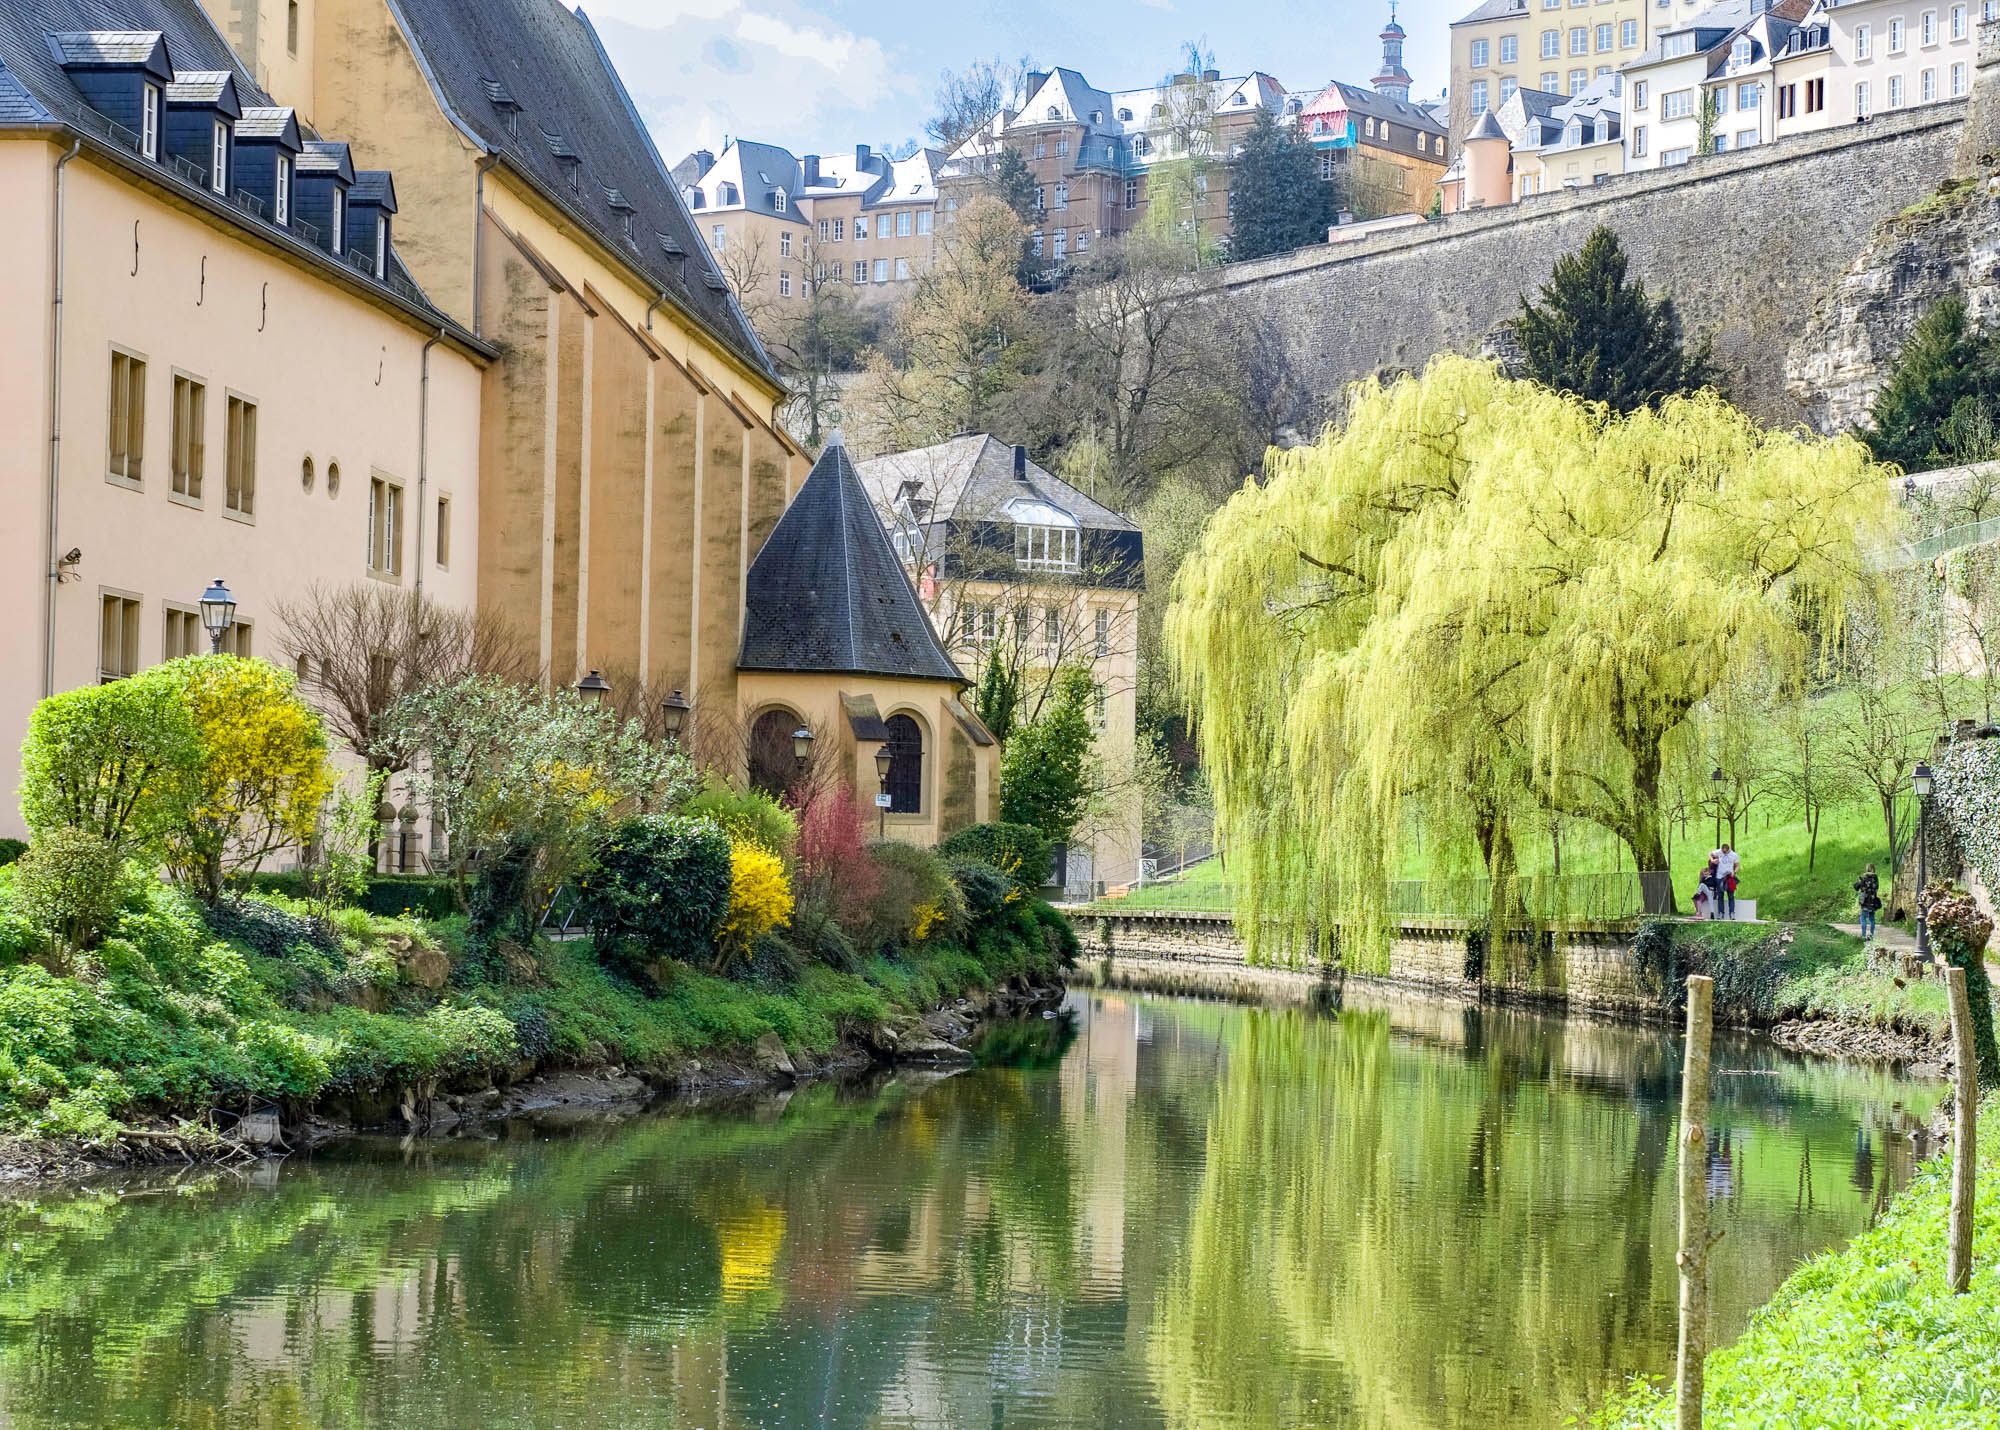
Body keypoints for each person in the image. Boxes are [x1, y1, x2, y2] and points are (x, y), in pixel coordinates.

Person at [1854, 863, 1882, 939]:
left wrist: (1860, 881)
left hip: (1865, 901)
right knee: (1872, 919)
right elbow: (1876, 888)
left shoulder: (1864, 878)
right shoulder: (1875, 878)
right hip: (1873, 901)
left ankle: (1863, 935)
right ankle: (1871, 935)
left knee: (1863, 918)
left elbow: (1856, 887)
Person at [1717, 843, 1741, 919]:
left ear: (1728, 850)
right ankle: (1721, 913)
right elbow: (1710, 853)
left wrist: (1734, 872)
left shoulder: (1734, 855)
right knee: (1720, 896)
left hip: (1729, 877)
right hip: (1720, 877)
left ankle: (1732, 913)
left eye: (1725, 851)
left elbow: (1737, 865)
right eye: (1722, 851)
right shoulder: (1719, 852)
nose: (1723, 852)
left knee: (1731, 896)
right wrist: (1712, 859)